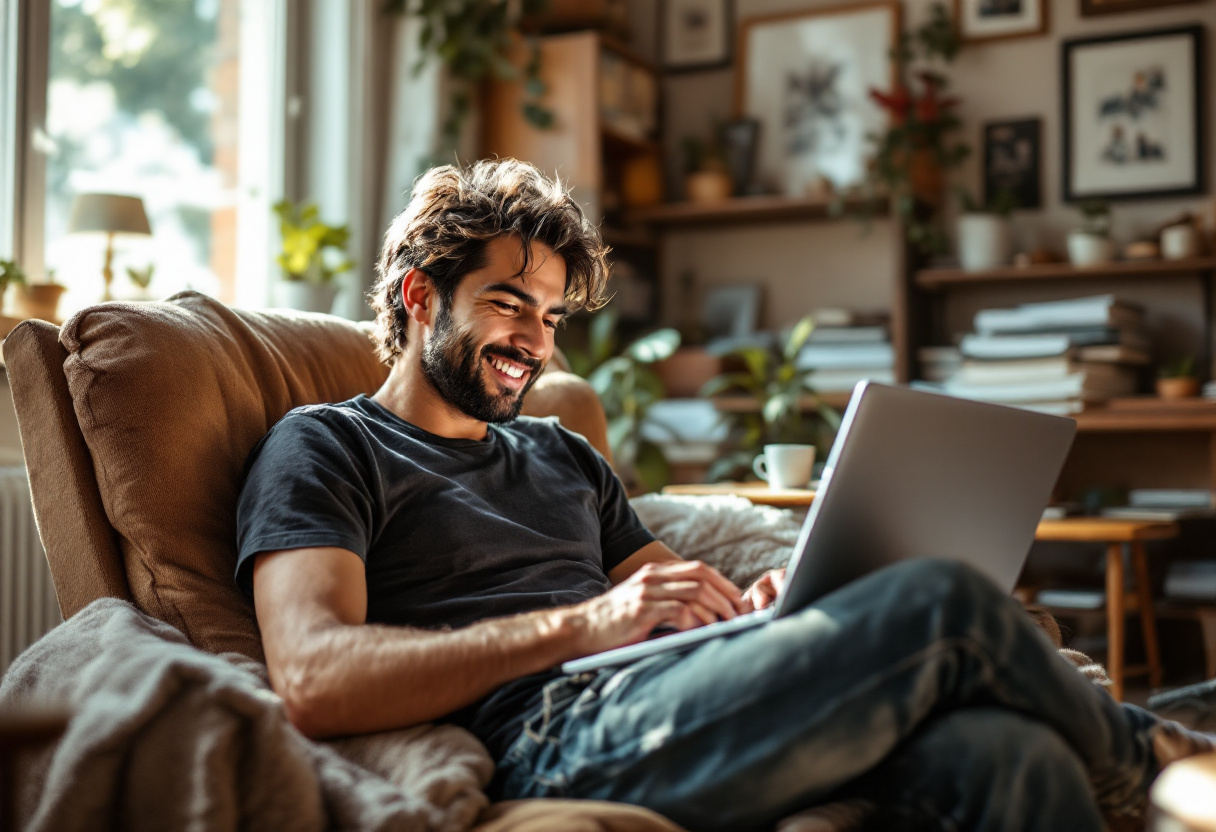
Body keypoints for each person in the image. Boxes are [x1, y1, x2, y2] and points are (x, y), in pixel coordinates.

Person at [236, 158, 1213, 832]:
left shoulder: (557, 451)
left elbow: (679, 588)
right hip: (559, 729)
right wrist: (584, 624)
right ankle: (1168, 762)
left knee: (1009, 753)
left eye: (549, 315)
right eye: (507, 302)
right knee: (944, 601)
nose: (535, 340)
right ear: (417, 297)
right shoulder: (326, 444)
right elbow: (316, 676)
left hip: (682, 692)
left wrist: (763, 609)